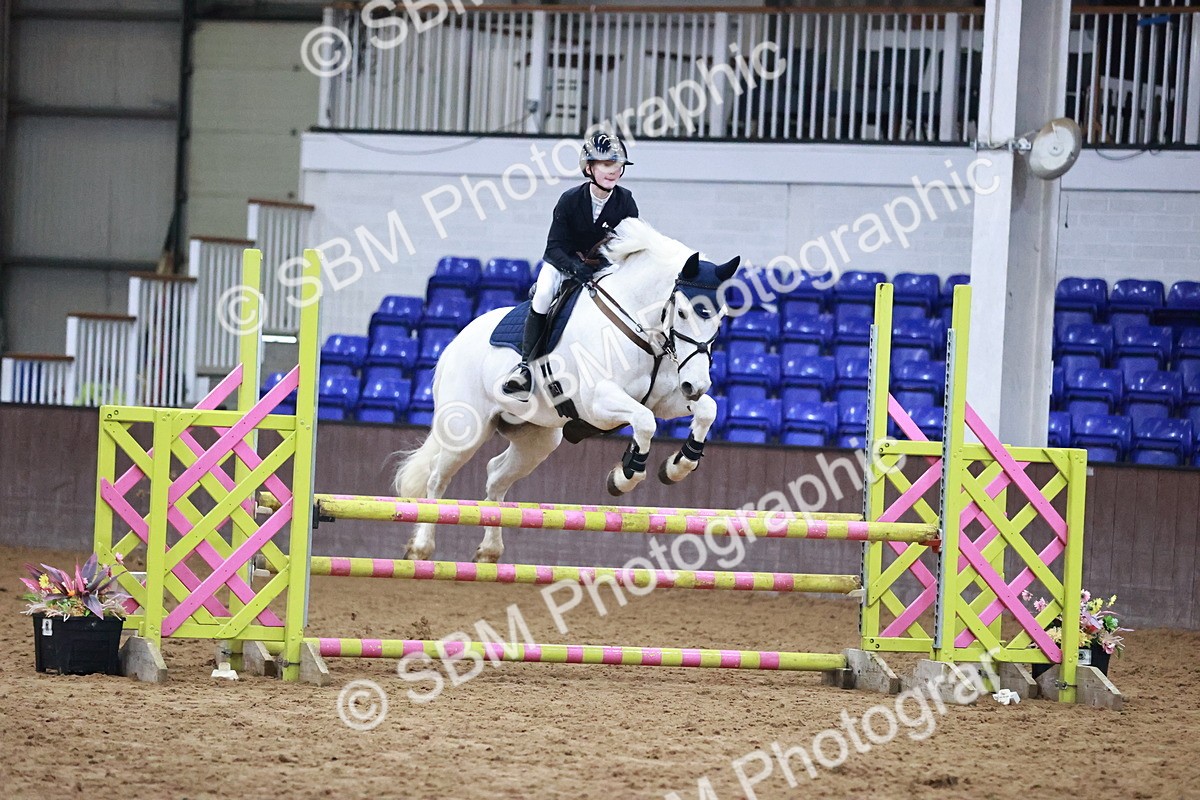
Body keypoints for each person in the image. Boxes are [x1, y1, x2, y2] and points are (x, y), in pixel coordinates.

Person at [502, 131, 639, 398]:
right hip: (564, 263)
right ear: (589, 167)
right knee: (542, 295)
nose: (614, 172)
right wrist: (577, 269)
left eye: (618, 166)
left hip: (602, 269)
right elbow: (553, 248)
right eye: (607, 165)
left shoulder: (626, 201)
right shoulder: (570, 200)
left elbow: (630, 245)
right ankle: (524, 368)